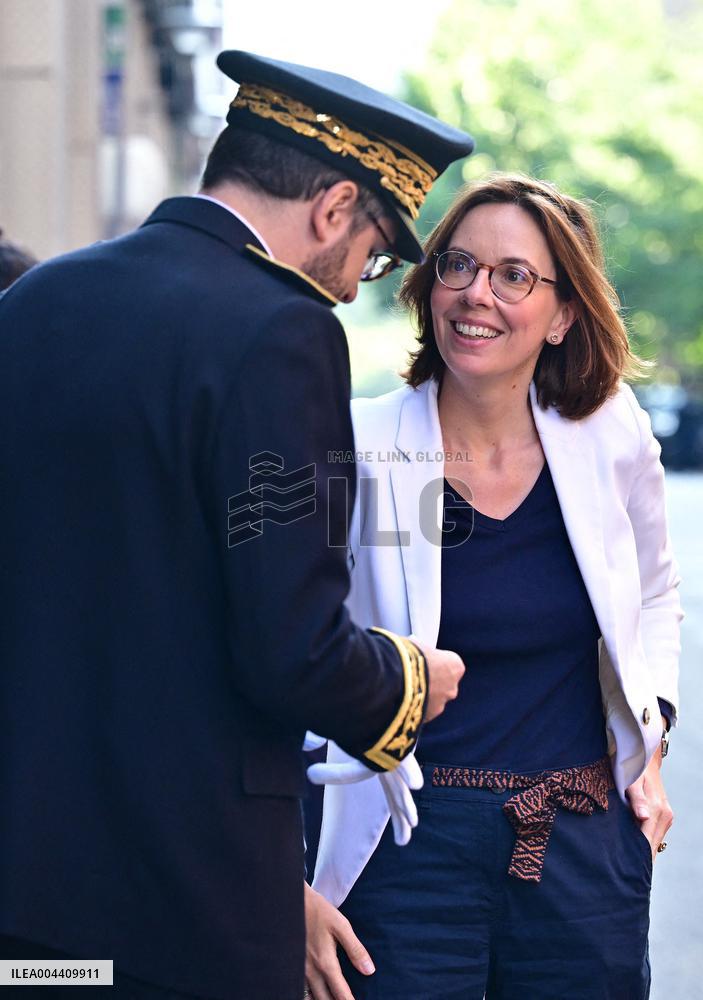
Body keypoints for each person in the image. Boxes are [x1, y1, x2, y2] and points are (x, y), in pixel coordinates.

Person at [0, 51, 472, 1000]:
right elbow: (288, 643)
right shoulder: (280, 331)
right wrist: (409, 683)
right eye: (375, 256)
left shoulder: (35, 301)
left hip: (30, 897)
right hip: (185, 907)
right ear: (335, 206)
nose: (353, 287)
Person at [304, 173, 682, 1000]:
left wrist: (650, 739)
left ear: (563, 315)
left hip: (579, 845)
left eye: (514, 276)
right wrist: (283, 877)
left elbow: (653, 595)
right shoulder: (366, 450)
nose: (476, 294)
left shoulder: (607, 434)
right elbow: (289, 651)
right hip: (401, 847)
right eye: (457, 266)